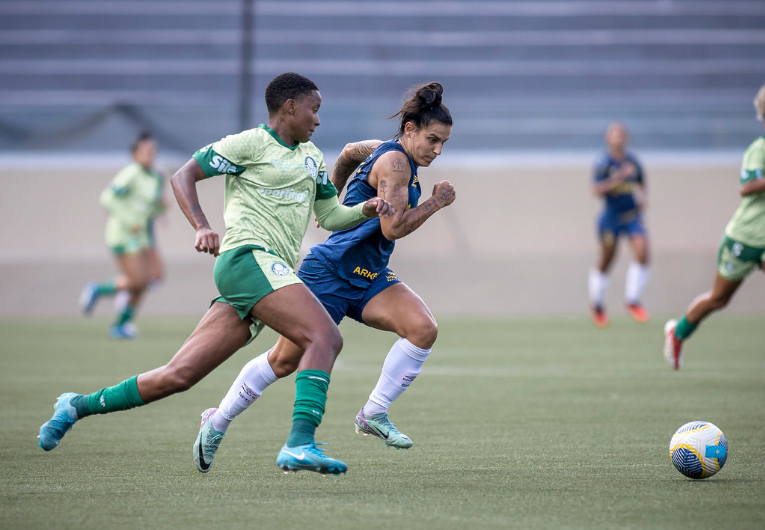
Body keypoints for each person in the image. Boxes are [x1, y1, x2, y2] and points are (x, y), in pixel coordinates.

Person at [37, 73, 394, 477]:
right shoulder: (248, 143)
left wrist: (366, 209)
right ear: (289, 106)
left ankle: (76, 405)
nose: (318, 119)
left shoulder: (311, 156)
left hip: (263, 276)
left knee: (178, 376)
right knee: (324, 336)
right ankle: (299, 443)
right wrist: (202, 226)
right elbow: (183, 175)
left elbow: (329, 216)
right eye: (314, 109)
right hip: (247, 260)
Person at [191, 82, 455, 475]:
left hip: (369, 275)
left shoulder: (383, 149)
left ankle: (373, 413)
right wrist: (437, 201)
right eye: (432, 139)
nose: (437, 150)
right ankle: (217, 421)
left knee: (422, 329)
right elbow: (392, 229)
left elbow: (349, 152)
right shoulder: (397, 164)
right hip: (329, 273)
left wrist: (328, 196)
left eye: (444, 143)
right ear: (411, 129)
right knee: (283, 361)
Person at [664, 83, 765, 369]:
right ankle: (678, 332)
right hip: (744, 239)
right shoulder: (759, 149)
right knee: (719, 299)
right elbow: (746, 187)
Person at [79, 132, 166, 339]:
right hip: (123, 234)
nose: (150, 154)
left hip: (141, 235)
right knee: (137, 280)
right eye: (145, 151)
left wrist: (160, 210)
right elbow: (108, 198)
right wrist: (130, 222)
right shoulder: (131, 173)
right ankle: (98, 290)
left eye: (153, 150)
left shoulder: (154, 177)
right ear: (135, 155)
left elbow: (146, 208)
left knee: (146, 281)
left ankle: (120, 325)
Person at [588, 122, 651, 328]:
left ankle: (632, 301)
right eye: (614, 135)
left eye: (621, 134)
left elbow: (641, 183)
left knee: (642, 252)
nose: (618, 138)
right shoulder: (603, 162)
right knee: (607, 260)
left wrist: (643, 197)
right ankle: (597, 304)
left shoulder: (633, 161)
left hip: (631, 215)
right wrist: (616, 179)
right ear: (608, 139)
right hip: (611, 217)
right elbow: (596, 190)